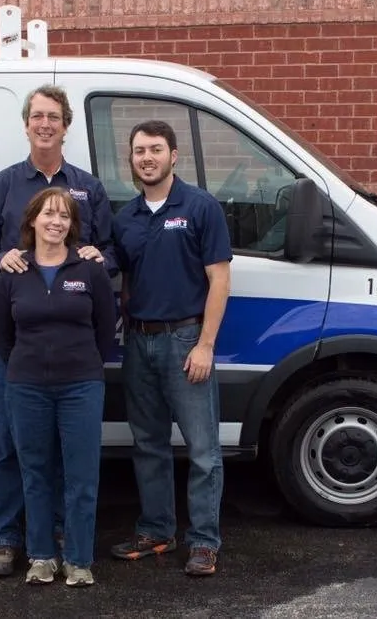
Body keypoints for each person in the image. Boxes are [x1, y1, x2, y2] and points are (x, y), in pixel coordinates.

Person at [0, 84, 117, 577]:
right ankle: (6, 538)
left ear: (66, 125)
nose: (45, 124)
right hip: (22, 345)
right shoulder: (4, 187)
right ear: (27, 124)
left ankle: (55, 537)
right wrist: (0, 257)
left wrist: (100, 257)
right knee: (9, 446)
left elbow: (112, 252)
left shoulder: (88, 188)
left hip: (72, 348)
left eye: (53, 116)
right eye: (37, 116)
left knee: (65, 453)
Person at [109, 119, 232, 576]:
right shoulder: (126, 218)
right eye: (139, 150)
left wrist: (205, 345)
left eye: (156, 149)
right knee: (149, 444)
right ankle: (157, 530)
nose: (147, 157)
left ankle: (203, 542)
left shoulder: (200, 207)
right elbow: (125, 282)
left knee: (203, 450)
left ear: (173, 155)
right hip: (139, 342)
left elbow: (219, 279)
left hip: (186, 339)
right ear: (132, 159)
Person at [0, 187, 116, 587]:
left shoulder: (90, 270)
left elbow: (105, 333)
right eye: (48, 213)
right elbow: (4, 337)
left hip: (81, 386)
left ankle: (79, 560)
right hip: (26, 387)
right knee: (35, 473)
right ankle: (42, 557)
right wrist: (29, 366)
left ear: (72, 225)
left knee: (82, 475)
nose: (55, 221)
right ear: (32, 220)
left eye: (64, 216)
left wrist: (81, 364)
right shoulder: (12, 272)